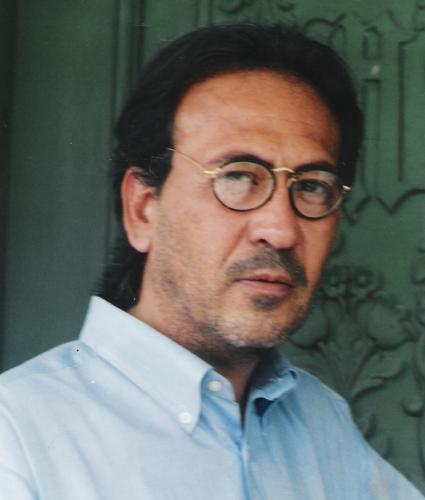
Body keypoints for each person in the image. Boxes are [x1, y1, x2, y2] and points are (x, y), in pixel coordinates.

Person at [0, 24, 423, 500]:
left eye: (311, 186)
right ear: (143, 209)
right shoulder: (16, 439)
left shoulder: (323, 423)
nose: (282, 230)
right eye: (238, 177)